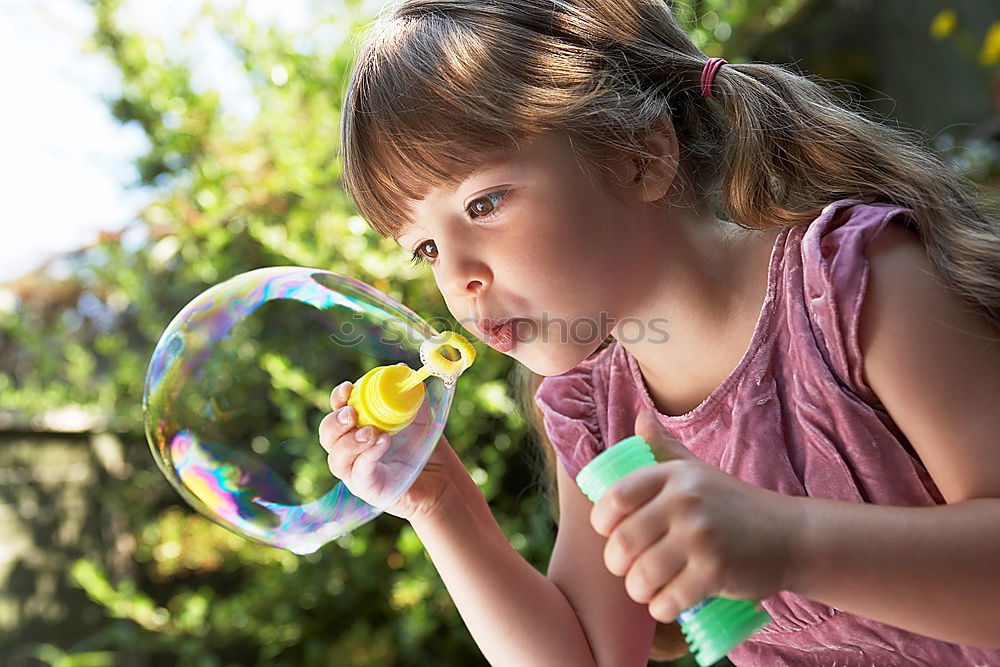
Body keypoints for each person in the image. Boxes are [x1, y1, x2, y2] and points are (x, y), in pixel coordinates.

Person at [318, 1, 1000, 664]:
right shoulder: (601, 416)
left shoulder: (852, 288)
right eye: (426, 249)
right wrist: (440, 501)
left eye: (483, 202)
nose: (457, 277)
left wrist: (789, 543)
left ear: (639, 157)